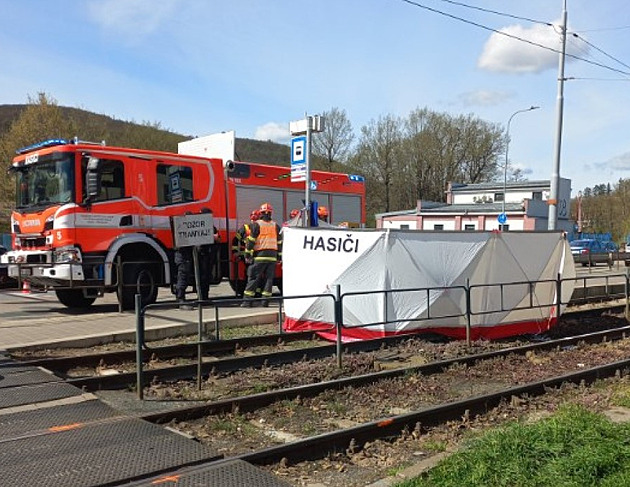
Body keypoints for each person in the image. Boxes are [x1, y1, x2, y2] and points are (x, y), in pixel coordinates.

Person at [241, 202, 282, 307]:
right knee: (269, 279)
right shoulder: (275, 226)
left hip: (260, 255)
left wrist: (247, 254)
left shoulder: (256, 225)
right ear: (271, 213)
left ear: (261, 213)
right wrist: (279, 257)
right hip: (272, 257)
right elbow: (279, 243)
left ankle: (247, 301)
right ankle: (265, 301)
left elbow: (251, 241)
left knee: (254, 277)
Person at [198, 207, 219, 301]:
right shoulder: (199, 226)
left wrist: (215, 238)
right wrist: (212, 237)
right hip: (203, 256)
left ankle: (205, 297)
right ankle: (203, 297)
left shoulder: (212, 227)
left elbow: (218, 238)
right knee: (203, 277)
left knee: (207, 277)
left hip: (209, 256)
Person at [174, 212, 194, 309]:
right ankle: (180, 300)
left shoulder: (181, 228)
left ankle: (181, 298)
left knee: (183, 277)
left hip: (183, 256)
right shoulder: (182, 229)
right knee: (182, 277)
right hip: (183, 256)